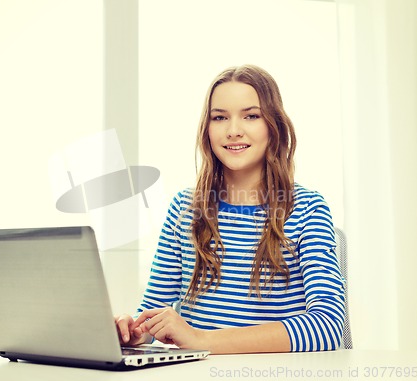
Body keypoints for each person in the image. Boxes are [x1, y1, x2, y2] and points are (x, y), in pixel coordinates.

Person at [115, 64, 345, 354]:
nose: (233, 130)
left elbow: (327, 326)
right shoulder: (185, 208)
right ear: (207, 129)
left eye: (251, 116)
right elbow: (152, 312)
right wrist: (135, 330)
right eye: (220, 117)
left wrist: (202, 340)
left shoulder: (308, 209)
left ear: (273, 126)